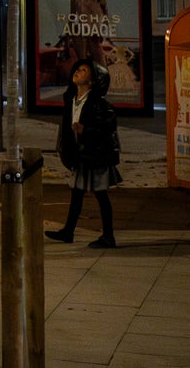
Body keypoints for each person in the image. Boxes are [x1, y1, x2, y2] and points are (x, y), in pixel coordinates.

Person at [46, 59, 121, 249]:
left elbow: (107, 128)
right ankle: (68, 231)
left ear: (93, 81)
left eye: (84, 71)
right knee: (77, 193)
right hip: (81, 156)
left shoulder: (100, 104)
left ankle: (108, 236)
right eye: (77, 69)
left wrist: (85, 130)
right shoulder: (72, 99)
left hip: (95, 156)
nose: (77, 72)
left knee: (100, 195)